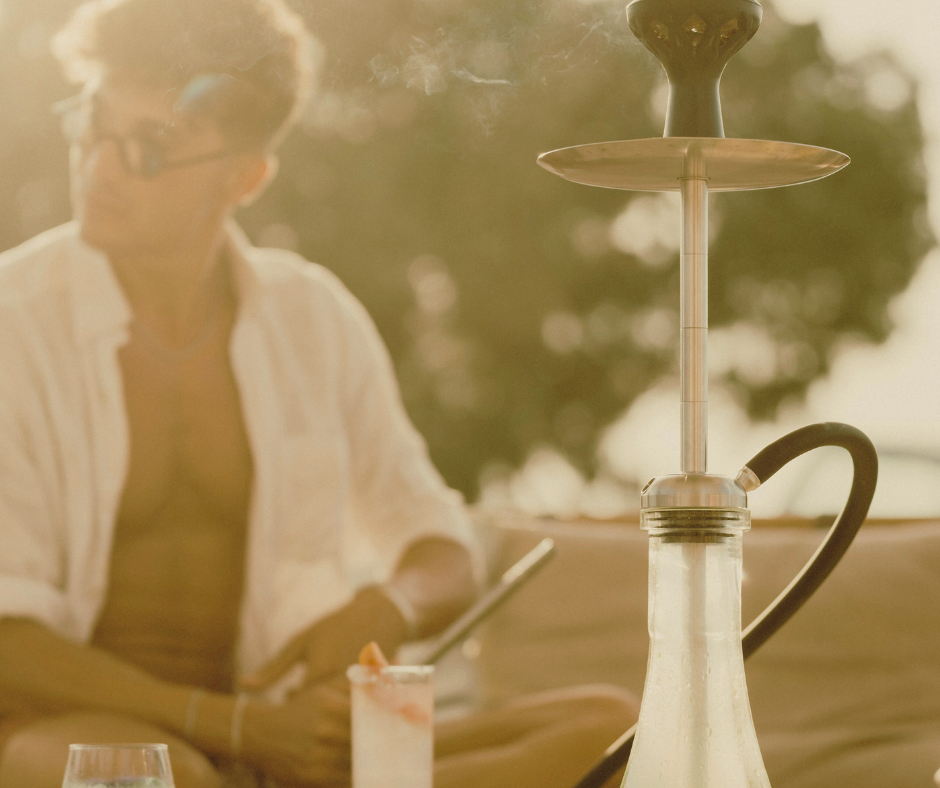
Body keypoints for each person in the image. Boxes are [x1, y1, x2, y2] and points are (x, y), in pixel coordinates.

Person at [0, 0, 638, 786]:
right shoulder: (13, 322)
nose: (98, 166)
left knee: (611, 730)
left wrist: (389, 608)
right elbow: (7, 643)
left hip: (285, 744)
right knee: (164, 778)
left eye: (148, 147)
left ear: (246, 176)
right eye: (92, 125)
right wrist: (237, 727)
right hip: (73, 737)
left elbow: (439, 548)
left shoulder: (315, 318)